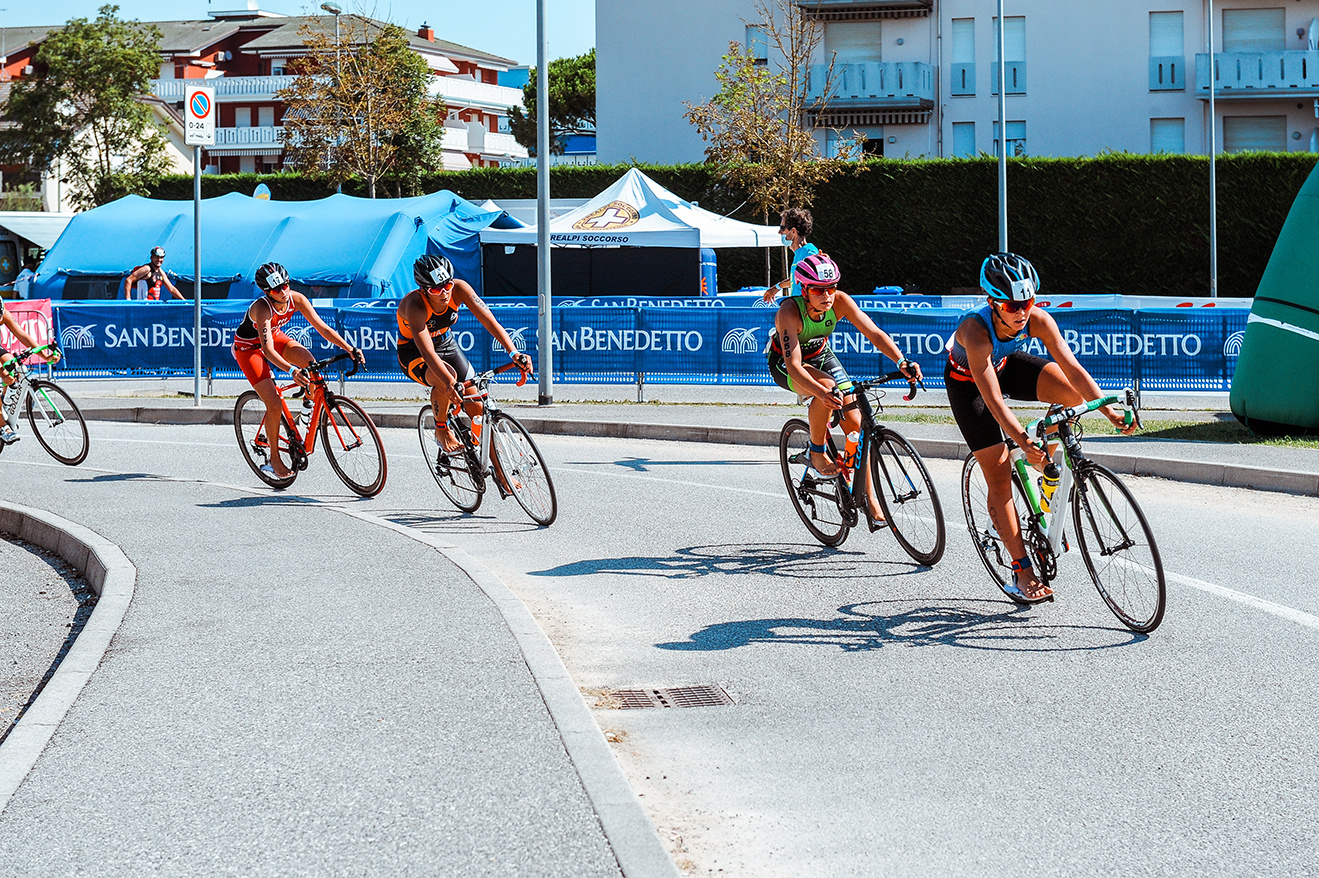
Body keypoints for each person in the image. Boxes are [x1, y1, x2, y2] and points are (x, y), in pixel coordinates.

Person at [946, 252, 1138, 604]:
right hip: (969, 385)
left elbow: (1074, 370)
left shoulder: (1038, 319)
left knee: (1068, 393)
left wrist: (1108, 411)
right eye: (1012, 305)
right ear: (993, 302)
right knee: (1000, 470)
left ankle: (1045, 464)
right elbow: (993, 401)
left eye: (1028, 302)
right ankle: (1021, 570)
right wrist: (1020, 438)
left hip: (1006, 365)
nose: (1021, 312)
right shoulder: (975, 330)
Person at [769, 252, 921, 522]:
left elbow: (874, 333)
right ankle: (816, 452)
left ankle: (868, 496)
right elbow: (794, 365)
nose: (827, 295)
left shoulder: (840, 302)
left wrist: (901, 361)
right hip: (786, 363)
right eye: (818, 290)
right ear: (804, 290)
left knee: (855, 420)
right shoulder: (789, 312)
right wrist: (820, 392)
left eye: (831, 288)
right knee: (826, 387)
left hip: (820, 355)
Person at [231, 262, 362, 479]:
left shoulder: (297, 298)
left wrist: (349, 348)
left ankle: (306, 411)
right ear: (266, 292)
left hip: (276, 336)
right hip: (249, 348)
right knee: (273, 404)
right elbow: (268, 350)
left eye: (285, 285)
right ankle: (274, 458)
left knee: (312, 366)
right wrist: (291, 370)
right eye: (276, 289)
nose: (283, 292)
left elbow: (323, 327)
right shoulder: (262, 308)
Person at [396, 254, 531, 453]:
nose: (444, 293)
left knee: (479, 409)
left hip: (446, 343)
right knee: (446, 378)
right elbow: (427, 351)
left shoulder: (460, 288)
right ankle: (441, 429)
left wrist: (514, 352)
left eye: (447, 285)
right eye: (435, 289)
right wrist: (449, 383)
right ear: (424, 290)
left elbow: (490, 322)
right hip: (414, 352)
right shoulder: (414, 306)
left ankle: (500, 474)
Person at [1, 299, 61, 444]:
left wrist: (45, 355)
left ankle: (3, 401)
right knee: (4, 374)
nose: (0, 319)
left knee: (14, 368)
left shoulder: (4, 314)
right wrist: (2, 374)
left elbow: (23, 336)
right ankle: (3, 427)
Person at [762, 207, 820, 305]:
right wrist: (776, 287)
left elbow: (815, 284)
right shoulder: (800, 253)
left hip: (805, 313)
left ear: (793, 231)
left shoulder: (810, 252)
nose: (779, 232)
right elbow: (796, 279)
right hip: (798, 310)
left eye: (782, 228)